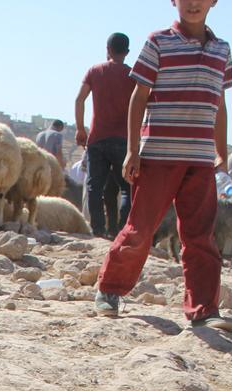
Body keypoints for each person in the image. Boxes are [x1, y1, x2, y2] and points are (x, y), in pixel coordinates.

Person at [93, 0, 232, 333]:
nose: (193, 3)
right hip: (158, 154)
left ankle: (204, 309)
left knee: (200, 236)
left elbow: (220, 104)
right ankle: (109, 289)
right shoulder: (158, 42)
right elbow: (138, 97)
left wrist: (221, 152)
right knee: (141, 228)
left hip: (200, 158)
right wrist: (132, 150)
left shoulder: (222, 50)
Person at [75, 32, 136, 239]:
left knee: (95, 186)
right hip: (124, 140)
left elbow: (79, 99)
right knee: (127, 188)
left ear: (107, 49)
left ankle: (98, 229)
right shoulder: (133, 75)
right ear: (127, 52)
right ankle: (121, 230)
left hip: (98, 138)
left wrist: (80, 129)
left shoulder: (95, 71)